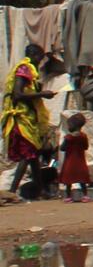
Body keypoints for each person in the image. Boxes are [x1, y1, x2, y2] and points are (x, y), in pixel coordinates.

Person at [2, 44, 54, 195]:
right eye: (40, 57)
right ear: (35, 55)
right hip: (20, 118)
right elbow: (18, 94)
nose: (41, 61)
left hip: (28, 118)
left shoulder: (31, 71)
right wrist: (42, 94)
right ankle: (12, 192)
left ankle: (40, 190)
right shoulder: (24, 69)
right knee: (28, 154)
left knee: (33, 155)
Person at [57, 115, 91, 202]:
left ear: (74, 125)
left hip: (70, 162)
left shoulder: (68, 138)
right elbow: (86, 147)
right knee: (82, 180)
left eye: (69, 125)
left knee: (68, 181)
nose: (68, 127)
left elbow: (62, 148)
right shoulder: (83, 136)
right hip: (80, 162)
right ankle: (85, 195)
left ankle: (68, 197)